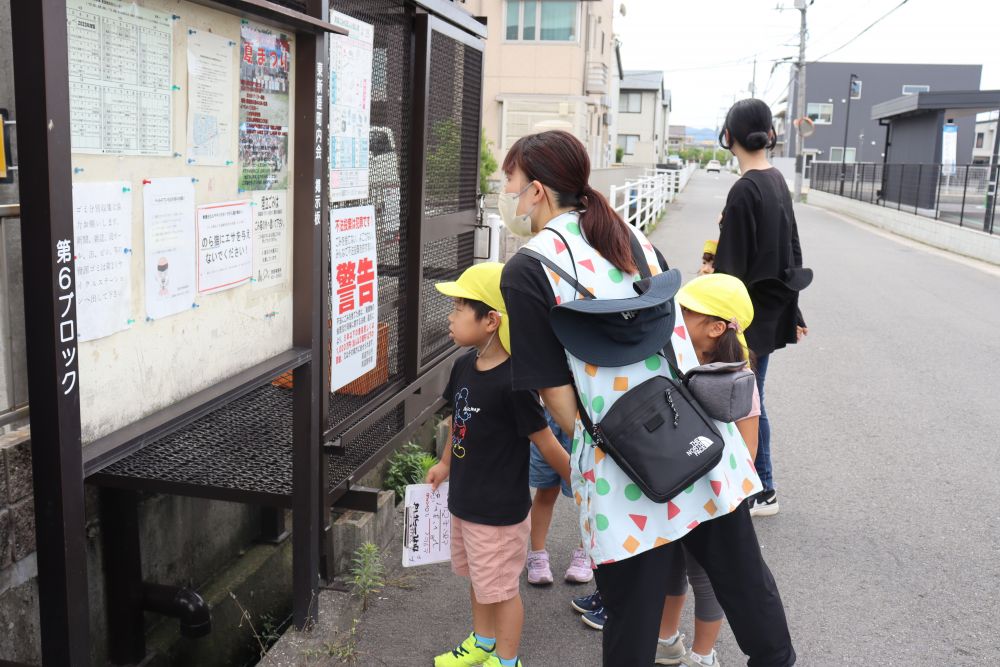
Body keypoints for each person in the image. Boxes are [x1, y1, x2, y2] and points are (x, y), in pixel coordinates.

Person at [498, 130, 795, 666]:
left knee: (631, 626)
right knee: (749, 591)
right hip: (698, 440)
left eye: (510, 183)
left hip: (621, 474)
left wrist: (589, 454)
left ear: (537, 190)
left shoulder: (528, 269)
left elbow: (554, 390)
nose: (509, 194)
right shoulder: (629, 235)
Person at [426, 262, 571, 667]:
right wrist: (443, 465)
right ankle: (482, 643)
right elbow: (458, 421)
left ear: (491, 320)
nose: (450, 317)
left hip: (500, 513)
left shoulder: (516, 382)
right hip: (466, 501)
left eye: (458, 308)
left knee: (503, 589)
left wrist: (584, 479)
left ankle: (507, 661)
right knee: (480, 580)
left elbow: (544, 440)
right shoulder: (462, 366)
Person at [655, 274, 762, 667]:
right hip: (670, 487)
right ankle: (666, 641)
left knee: (705, 578)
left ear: (717, 327)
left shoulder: (737, 378)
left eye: (686, 313)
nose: (676, 319)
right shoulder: (671, 359)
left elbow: (748, 446)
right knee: (670, 567)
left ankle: (703, 655)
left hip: (714, 497)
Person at [713, 98, 810, 517]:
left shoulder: (744, 190)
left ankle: (762, 488)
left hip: (742, 318)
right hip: (770, 311)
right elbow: (793, 251)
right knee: (753, 399)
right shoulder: (776, 182)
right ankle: (756, 485)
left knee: (748, 403)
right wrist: (796, 311)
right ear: (770, 136)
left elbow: (729, 270)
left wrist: (715, 319)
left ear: (728, 137)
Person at [525, 412, 593, 585]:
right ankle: (537, 554)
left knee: (589, 493)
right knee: (546, 489)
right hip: (549, 418)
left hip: (587, 417)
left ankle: (586, 551)